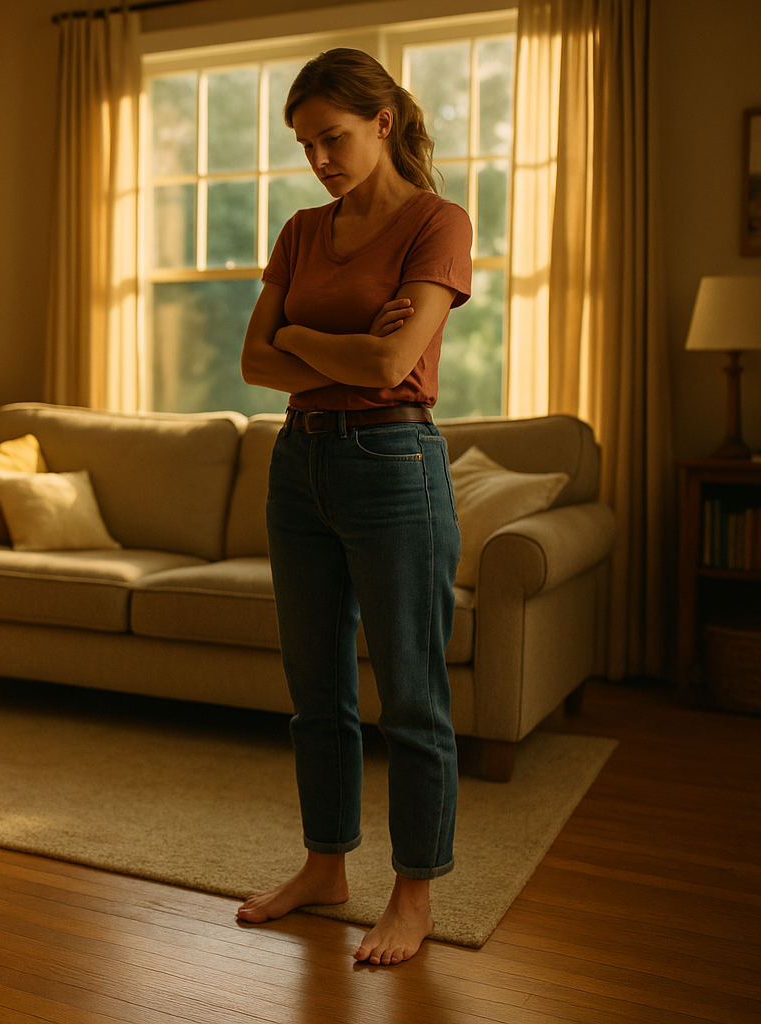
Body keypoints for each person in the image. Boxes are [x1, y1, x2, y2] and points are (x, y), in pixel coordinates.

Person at [233, 47, 472, 967]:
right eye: (305, 145)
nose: (319, 159)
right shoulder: (301, 231)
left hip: (393, 463)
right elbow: (254, 362)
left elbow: (388, 366)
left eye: (332, 138)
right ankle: (324, 866)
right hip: (299, 461)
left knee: (411, 696)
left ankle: (414, 895)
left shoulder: (436, 223)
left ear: (382, 121)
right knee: (315, 692)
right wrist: (318, 337)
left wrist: (297, 333)